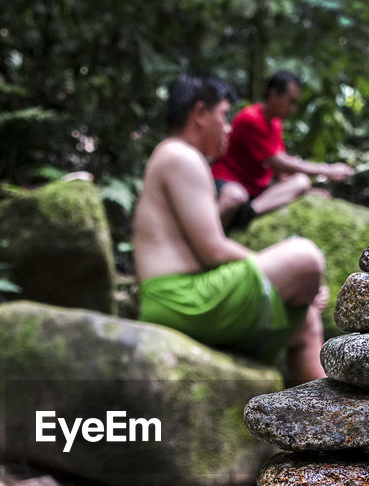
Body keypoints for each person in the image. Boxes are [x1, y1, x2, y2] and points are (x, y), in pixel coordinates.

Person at [132, 72, 328, 384]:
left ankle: (332, 423)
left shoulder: (177, 156)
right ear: (200, 114)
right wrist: (285, 271)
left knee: (305, 320)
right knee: (305, 257)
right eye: (224, 116)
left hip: (190, 296)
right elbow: (213, 250)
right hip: (179, 299)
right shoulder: (179, 155)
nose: (227, 128)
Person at [212, 70, 355, 229]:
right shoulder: (251, 118)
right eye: (290, 101)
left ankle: (247, 213)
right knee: (234, 196)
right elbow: (279, 161)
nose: (292, 108)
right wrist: (328, 170)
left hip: (255, 192)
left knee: (301, 182)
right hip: (227, 182)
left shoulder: (275, 124)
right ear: (273, 94)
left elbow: (279, 173)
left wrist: (307, 190)